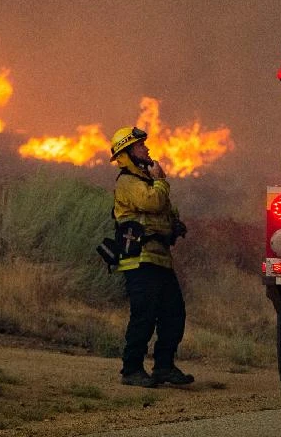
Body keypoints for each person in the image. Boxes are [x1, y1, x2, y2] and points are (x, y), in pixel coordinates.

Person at [109, 126, 193, 388]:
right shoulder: (128, 182)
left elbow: (160, 210)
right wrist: (161, 180)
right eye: (140, 146)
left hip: (159, 259)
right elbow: (152, 202)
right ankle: (131, 369)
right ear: (127, 153)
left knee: (174, 313)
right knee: (143, 316)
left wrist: (173, 224)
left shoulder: (145, 181)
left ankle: (164, 367)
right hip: (139, 260)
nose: (146, 149)